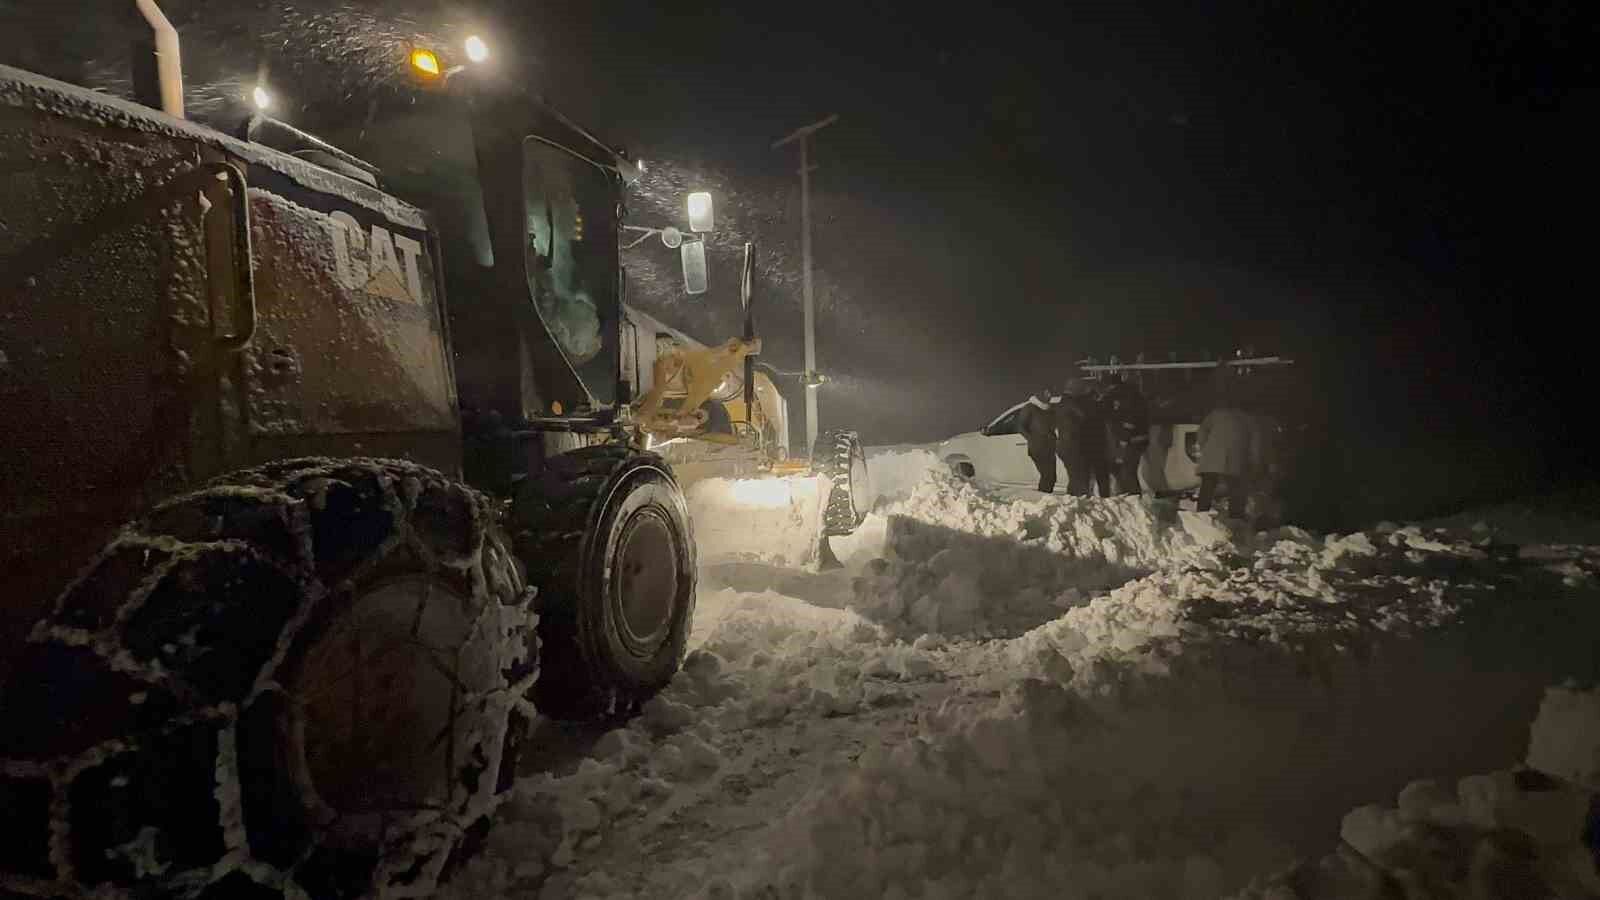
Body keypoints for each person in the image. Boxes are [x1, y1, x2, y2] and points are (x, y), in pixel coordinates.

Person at [1195, 366, 1253, 518]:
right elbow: (1255, 444)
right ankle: (1235, 516)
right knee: (1236, 489)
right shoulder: (1248, 420)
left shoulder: (1216, 414)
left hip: (1212, 458)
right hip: (1235, 460)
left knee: (1208, 486)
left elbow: (1201, 432)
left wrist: (1205, 447)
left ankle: (1201, 515)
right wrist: (1254, 461)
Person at [1057, 378, 1111, 497]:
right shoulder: (1072, 403)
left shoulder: (1066, 402)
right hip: (1075, 448)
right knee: (1081, 480)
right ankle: (1080, 502)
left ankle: (1074, 501)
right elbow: (1085, 416)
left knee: (1077, 479)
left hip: (1073, 447)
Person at [1100, 373, 1151, 496]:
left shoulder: (1121, 397)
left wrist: (1123, 440)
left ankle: (1133, 499)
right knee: (1125, 471)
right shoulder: (1132, 395)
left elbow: (1128, 420)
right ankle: (1128, 497)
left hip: (1130, 440)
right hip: (1134, 439)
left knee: (1127, 472)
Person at [1016, 388, 1060, 493]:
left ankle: (1046, 497)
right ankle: (1043, 497)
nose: (1049, 395)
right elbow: (1020, 427)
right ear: (1040, 394)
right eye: (1046, 393)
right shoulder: (1030, 408)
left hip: (1050, 447)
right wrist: (1032, 439)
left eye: (1050, 393)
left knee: (1052, 477)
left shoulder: (1050, 409)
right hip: (1037, 448)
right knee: (1047, 475)